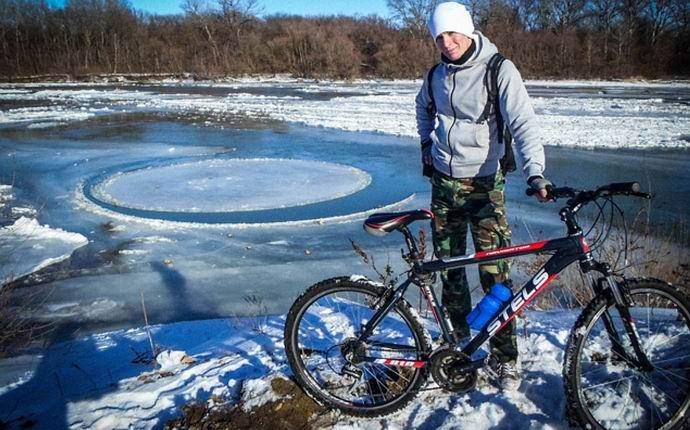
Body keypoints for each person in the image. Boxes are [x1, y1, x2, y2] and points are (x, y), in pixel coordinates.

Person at [415, 1, 552, 389]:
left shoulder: (498, 70)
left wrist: (535, 172)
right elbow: (422, 109)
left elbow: (523, 122)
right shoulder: (436, 75)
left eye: (452, 33)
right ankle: (461, 345)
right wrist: (428, 146)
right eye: (439, 36)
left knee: (496, 275)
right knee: (449, 271)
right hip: (444, 185)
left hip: (485, 186)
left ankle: (505, 357)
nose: (446, 41)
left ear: (468, 30)